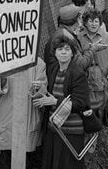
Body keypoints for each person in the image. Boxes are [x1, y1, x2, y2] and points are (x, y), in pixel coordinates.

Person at [35, 35, 89, 169]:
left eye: (67, 49)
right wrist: (42, 90)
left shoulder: (78, 73)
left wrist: (54, 101)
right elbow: (52, 94)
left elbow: (81, 104)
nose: (63, 52)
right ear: (55, 53)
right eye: (60, 49)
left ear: (72, 53)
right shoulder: (53, 69)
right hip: (54, 129)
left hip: (71, 131)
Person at [0, 57, 47, 169]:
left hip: (27, 118)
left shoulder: (38, 62)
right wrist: (2, 81)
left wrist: (39, 88)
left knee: (25, 160)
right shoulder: (3, 59)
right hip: (5, 117)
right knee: (5, 158)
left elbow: (42, 90)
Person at [78, 10, 108, 123]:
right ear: (85, 23)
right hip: (88, 77)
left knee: (105, 100)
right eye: (90, 21)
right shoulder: (79, 37)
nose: (93, 24)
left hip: (104, 76)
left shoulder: (107, 37)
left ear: (100, 23)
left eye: (96, 21)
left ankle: (107, 119)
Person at [44, 4, 98, 70]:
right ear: (76, 20)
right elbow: (81, 64)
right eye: (79, 18)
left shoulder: (61, 32)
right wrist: (93, 49)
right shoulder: (65, 38)